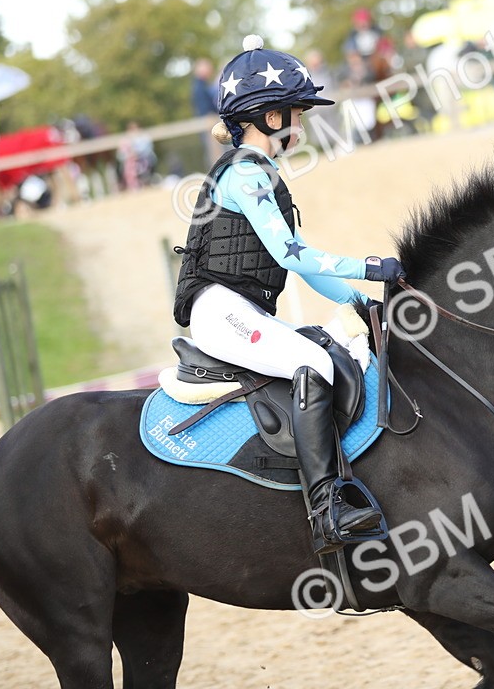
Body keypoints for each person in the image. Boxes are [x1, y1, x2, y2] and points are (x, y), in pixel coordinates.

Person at [172, 35, 405, 554]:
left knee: (331, 350)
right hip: (220, 310)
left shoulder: (262, 172)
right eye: (294, 113)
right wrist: (371, 267)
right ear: (266, 115)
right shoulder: (246, 174)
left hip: (239, 306)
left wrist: (357, 303)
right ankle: (326, 508)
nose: (299, 125)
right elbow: (293, 257)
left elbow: (302, 265)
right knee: (316, 365)